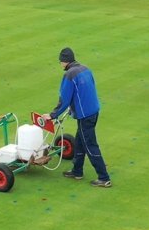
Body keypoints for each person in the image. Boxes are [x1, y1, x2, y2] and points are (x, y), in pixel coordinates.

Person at [44, 47, 111, 188]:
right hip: (93, 110)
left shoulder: (69, 75)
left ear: (64, 61)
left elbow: (64, 99)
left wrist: (52, 115)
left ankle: (104, 177)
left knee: (90, 145)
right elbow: (86, 90)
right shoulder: (85, 68)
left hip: (85, 115)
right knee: (80, 141)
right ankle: (77, 171)